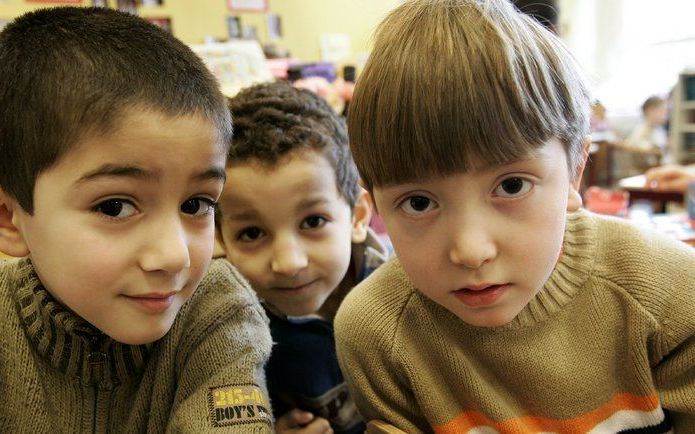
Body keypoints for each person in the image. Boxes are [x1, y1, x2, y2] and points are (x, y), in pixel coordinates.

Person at [334, 0, 695, 432]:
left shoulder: (670, 292)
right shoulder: (376, 334)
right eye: (418, 202)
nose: (471, 251)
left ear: (575, 171)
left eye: (511, 186)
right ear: (374, 203)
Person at [0, 7, 273, 433]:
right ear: (10, 219)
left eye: (197, 204)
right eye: (115, 207)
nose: (173, 256)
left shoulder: (216, 310)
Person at [215, 81, 388, 434]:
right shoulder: (228, 333)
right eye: (252, 233)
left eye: (313, 222)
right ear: (221, 239)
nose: (289, 263)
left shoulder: (409, 290)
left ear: (357, 216)